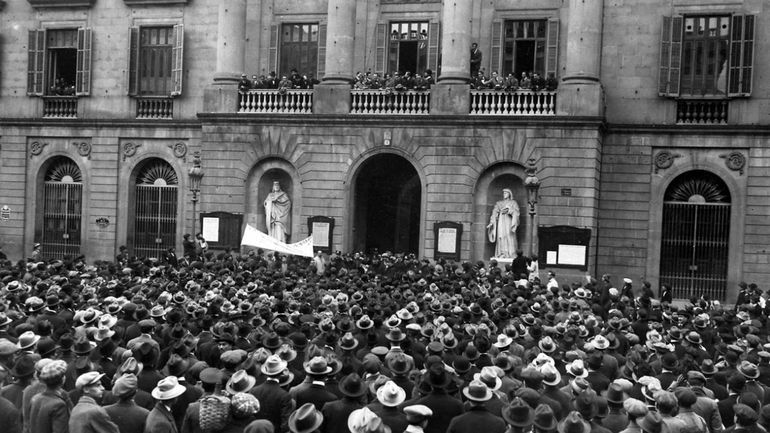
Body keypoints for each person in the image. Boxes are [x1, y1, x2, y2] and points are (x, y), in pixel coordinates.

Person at [487, 188, 520, 258]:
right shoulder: (499, 203)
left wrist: (509, 210)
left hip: (509, 222)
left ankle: (510, 253)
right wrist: (492, 222)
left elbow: (517, 213)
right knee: (501, 236)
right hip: (501, 222)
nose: (504, 194)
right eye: (503, 193)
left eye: (506, 193)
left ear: (509, 194)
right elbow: (494, 212)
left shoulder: (513, 203)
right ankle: (502, 253)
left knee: (509, 235)